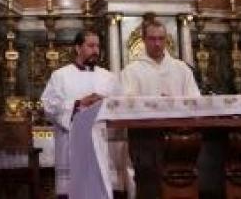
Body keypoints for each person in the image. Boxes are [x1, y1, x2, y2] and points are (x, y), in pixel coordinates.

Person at [121, 17, 200, 199]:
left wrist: (173, 104)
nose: (157, 43)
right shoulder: (132, 71)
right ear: (144, 40)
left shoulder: (182, 69)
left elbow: (196, 102)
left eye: (161, 39)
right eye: (152, 39)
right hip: (145, 139)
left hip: (180, 139)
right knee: (150, 187)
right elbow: (125, 105)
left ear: (166, 40)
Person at [40, 29, 119, 198]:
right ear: (78, 48)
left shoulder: (108, 77)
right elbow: (48, 105)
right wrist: (78, 104)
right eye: (90, 46)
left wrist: (105, 103)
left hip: (100, 143)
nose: (96, 51)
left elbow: (117, 108)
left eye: (98, 46)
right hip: (70, 144)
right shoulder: (60, 76)